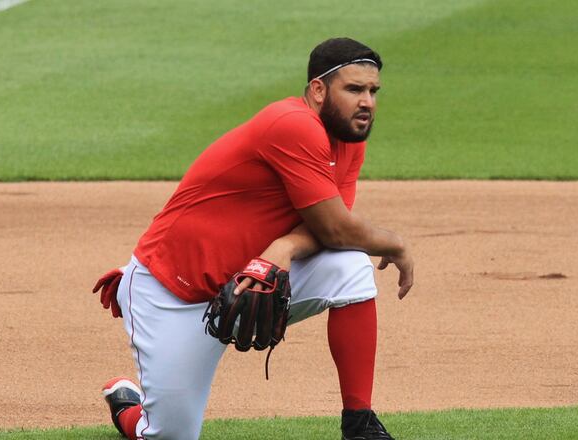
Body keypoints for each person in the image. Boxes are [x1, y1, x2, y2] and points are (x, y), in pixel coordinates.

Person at [94, 37, 414, 440]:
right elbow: (336, 228)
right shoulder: (292, 124)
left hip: (247, 281)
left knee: (350, 266)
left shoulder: (348, 142)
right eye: (354, 89)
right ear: (318, 90)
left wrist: (285, 247)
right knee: (169, 436)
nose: (366, 101)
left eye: (372, 91)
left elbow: (328, 229)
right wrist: (397, 244)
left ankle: (360, 423)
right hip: (171, 293)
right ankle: (127, 407)